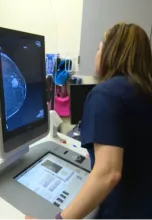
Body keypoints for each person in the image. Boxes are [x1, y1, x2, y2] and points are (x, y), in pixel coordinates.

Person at [26, 23, 152, 220]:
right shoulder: (145, 92)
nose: (97, 54)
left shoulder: (105, 94)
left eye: (99, 48)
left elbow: (108, 173)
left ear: (111, 53)